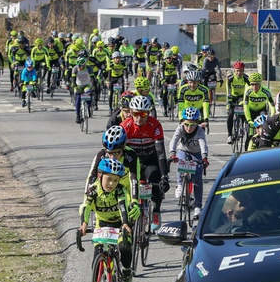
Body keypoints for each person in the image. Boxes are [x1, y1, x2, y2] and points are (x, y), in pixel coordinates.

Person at [79, 158, 139, 282]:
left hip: (120, 222)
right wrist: (84, 223)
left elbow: (123, 206)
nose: (111, 183)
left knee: (124, 246)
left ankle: (127, 273)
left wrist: (125, 224)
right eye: (108, 179)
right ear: (100, 176)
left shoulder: (121, 191)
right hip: (102, 223)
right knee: (97, 255)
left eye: (115, 180)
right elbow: (86, 206)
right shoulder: (93, 189)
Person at [121, 95, 170, 226]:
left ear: (148, 113)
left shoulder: (155, 125)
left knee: (156, 185)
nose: (139, 118)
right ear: (130, 112)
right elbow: (119, 152)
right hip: (132, 162)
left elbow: (161, 153)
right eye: (136, 113)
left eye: (143, 114)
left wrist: (164, 176)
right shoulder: (125, 127)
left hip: (150, 161)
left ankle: (156, 211)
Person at [168, 107, 209, 220]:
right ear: (182, 122)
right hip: (183, 150)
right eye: (186, 124)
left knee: (197, 180)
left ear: (197, 123)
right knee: (181, 164)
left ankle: (197, 207)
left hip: (197, 153)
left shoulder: (200, 130)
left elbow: (203, 144)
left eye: (192, 125)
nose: (189, 128)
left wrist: (204, 158)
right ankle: (180, 184)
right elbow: (174, 140)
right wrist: (172, 154)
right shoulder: (180, 128)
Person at [85, 125, 140, 198]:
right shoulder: (101, 155)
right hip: (106, 189)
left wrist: (134, 200)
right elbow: (91, 177)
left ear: (123, 148)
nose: (112, 157)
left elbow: (134, 180)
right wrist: (87, 198)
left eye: (117, 153)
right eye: (110, 153)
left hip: (126, 189)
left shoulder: (131, 155)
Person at [242, 72, 274, 148]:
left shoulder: (266, 91)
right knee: (250, 135)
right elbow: (245, 106)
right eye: (252, 84)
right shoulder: (248, 91)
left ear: (260, 84)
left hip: (261, 111)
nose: (254, 86)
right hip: (250, 111)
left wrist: (272, 118)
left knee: (264, 132)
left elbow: (272, 106)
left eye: (257, 84)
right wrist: (249, 119)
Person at [224, 61, 249, 144]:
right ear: (234, 70)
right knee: (230, 114)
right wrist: (229, 102)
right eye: (237, 71)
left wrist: (245, 100)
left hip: (242, 96)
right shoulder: (230, 78)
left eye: (241, 71)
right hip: (232, 96)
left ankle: (242, 128)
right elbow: (228, 91)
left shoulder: (246, 78)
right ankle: (229, 135)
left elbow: (249, 90)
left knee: (242, 111)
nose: (239, 73)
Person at [70, 57, 95, 125]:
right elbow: (73, 80)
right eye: (78, 66)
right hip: (78, 85)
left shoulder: (89, 68)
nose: (79, 67)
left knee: (88, 94)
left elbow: (92, 79)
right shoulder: (75, 69)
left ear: (84, 65)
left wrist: (93, 87)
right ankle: (78, 115)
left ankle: (89, 107)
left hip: (87, 85)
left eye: (80, 66)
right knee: (78, 99)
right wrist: (75, 88)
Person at [199, 45, 222, 111]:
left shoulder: (216, 60)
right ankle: (205, 96)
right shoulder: (205, 60)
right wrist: (202, 78)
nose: (211, 58)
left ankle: (212, 94)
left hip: (212, 72)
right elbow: (203, 69)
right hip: (205, 72)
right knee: (205, 85)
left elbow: (218, 69)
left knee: (213, 80)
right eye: (209, 56)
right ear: (207, 56)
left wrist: (219, 78)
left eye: (212, 57)